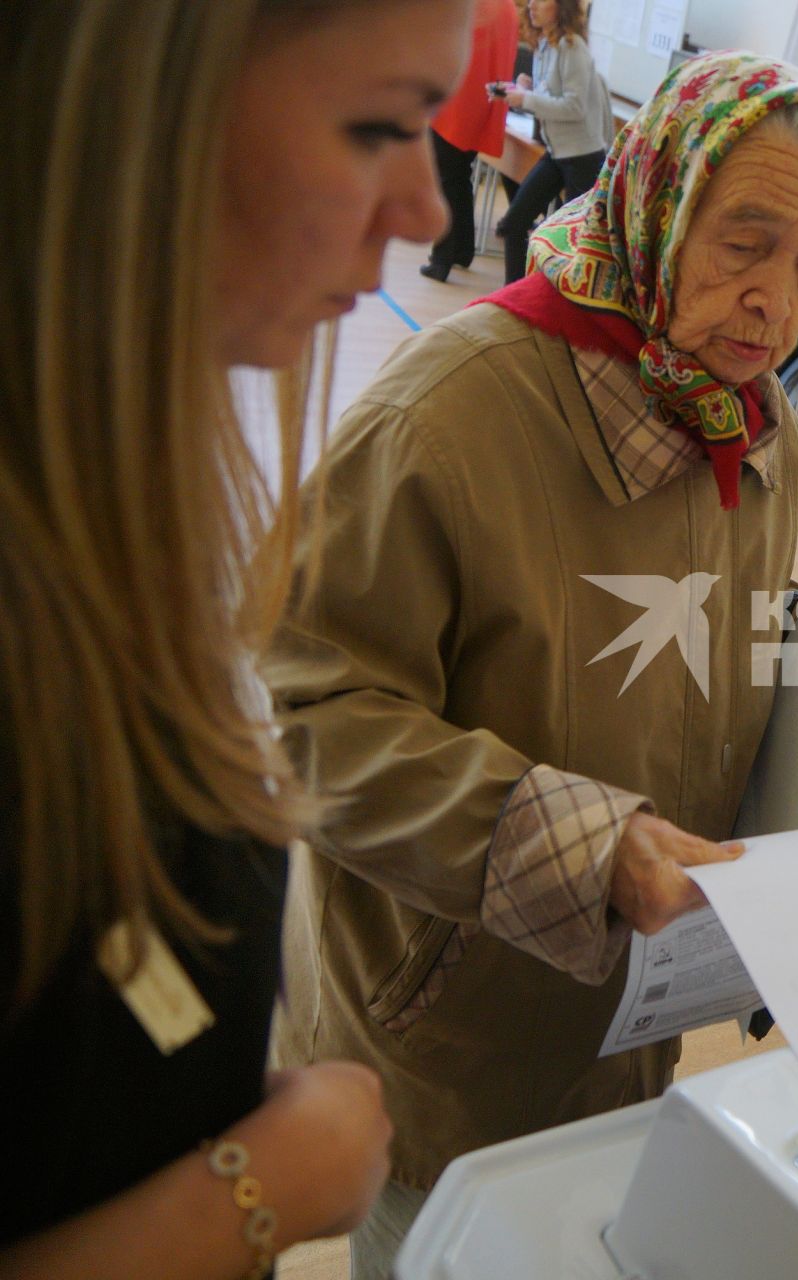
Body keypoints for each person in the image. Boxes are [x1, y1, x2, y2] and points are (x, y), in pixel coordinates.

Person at [260, 53, 798, 1278]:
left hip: (629, 1004)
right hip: (443, 1013)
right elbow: (301, 709)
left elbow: (703, 624)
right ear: (657, 204)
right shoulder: (447, 414)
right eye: (742, 244)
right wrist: (579, 842)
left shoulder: (759, 427)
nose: (776, 304)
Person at [0, 0, 469, 1275]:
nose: (428, 210)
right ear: (124, 110)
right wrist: (251, 1194)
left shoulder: (119, 503)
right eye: (379, 123)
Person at [493, 0, 612, 284]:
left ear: (561, 7)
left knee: (574, 244)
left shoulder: (572, 47)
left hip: (582, 157)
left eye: (541, 0)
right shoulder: (544, 44)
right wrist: (526, 89)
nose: (532, 5)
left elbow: (574, 107)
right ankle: (513, 298)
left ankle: (558, 309)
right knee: (513, 225)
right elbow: (554, 94)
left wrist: (527, 98)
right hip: (557, 152)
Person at [420, 0, 520, 282]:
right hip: (482, 100)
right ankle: (462, 249)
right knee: (458, 175)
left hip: (459, 100)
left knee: (448, 179)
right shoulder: (506, 7)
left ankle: (444, 257)